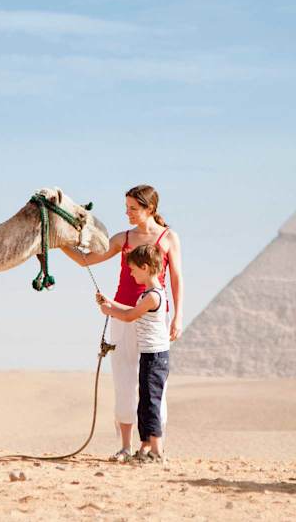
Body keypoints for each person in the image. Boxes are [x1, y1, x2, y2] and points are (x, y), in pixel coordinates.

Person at [61, 184, 184, 461]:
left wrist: (178, 315)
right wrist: (59, 243)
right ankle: (126, 446)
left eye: (133, 208)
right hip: (121, 313)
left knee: (152, 384)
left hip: (152, 316)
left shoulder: (168, 238)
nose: (127, 213)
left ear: (149, 209)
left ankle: (152, 446)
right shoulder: (122, 238)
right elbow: (85, 260)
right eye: (126, 207)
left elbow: (176, 277)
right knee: (125, 378)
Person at [96, 244, 170, 462]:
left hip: (155, 358)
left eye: (134, 269)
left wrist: (109, 311)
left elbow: (129, 316)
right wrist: (109, 302)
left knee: (151, 403)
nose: (131, 273)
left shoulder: (153, 297)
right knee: (144, 401)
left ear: (145, 267)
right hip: (149, 356)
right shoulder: (149, 294)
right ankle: (146, 447)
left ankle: (157, 452)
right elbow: (129, 310)